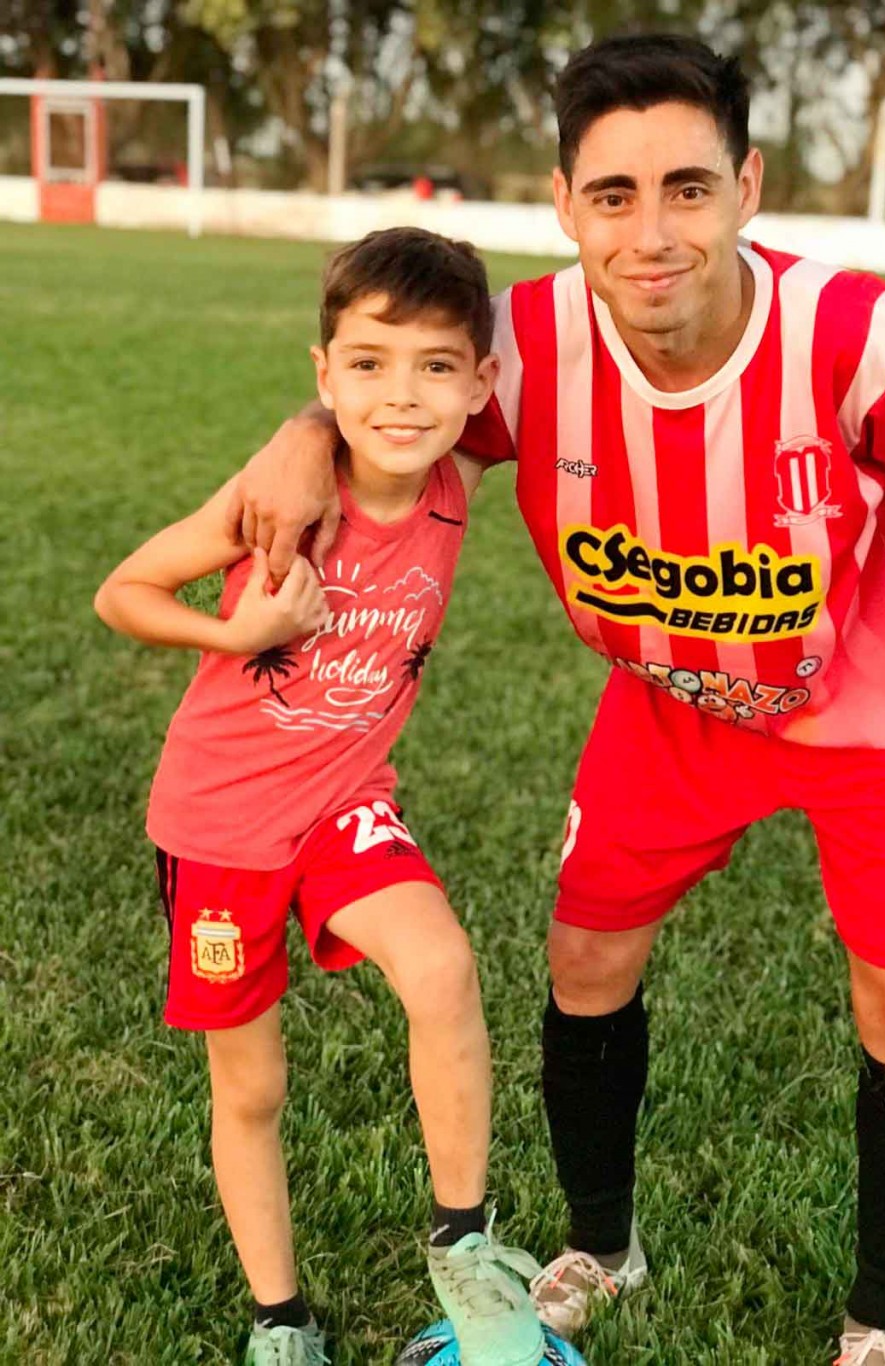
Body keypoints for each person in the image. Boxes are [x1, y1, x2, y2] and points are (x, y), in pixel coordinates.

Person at [223, 34, 885, 1366]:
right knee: (586, 961)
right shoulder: (519, 346)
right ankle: (601, 1242)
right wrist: (302, 436)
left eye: (687, 188)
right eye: (613, 195)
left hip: (869, 709)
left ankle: (882, 1318)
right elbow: (392, 401)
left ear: (746, 186)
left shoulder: (854, 335)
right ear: (564, 204)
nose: (651, 235)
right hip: (670, 705)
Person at [94, 227, 547, 1366]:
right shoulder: (275, 502)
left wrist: (312, 421)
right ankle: (280, 1317)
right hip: (220, 825)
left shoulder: (457, 478)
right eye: (368, 364)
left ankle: (463, 1243)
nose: (402, 395)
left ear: (478, 382)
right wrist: (234, 629)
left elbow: (555, 326)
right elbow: (124, 590)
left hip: (345, 798)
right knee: (253, 1090)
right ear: (325, 371)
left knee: (441, 966)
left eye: (436, 367)